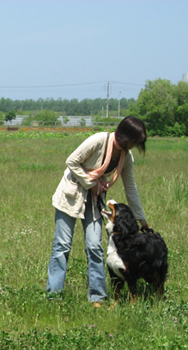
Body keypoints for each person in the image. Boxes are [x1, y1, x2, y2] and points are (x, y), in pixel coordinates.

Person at [46, 116, 149, 307]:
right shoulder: (99, 140)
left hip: (95, 199)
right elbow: (71, 161)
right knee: (62, 246)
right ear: (126, 136)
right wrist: (92, 183)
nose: (135, 146)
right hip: (71, 195)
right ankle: (54, 295)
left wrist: (142, 220)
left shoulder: (126, 157)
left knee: (94, 246)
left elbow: (130, 187)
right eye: (135, 141)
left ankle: (97, 296)